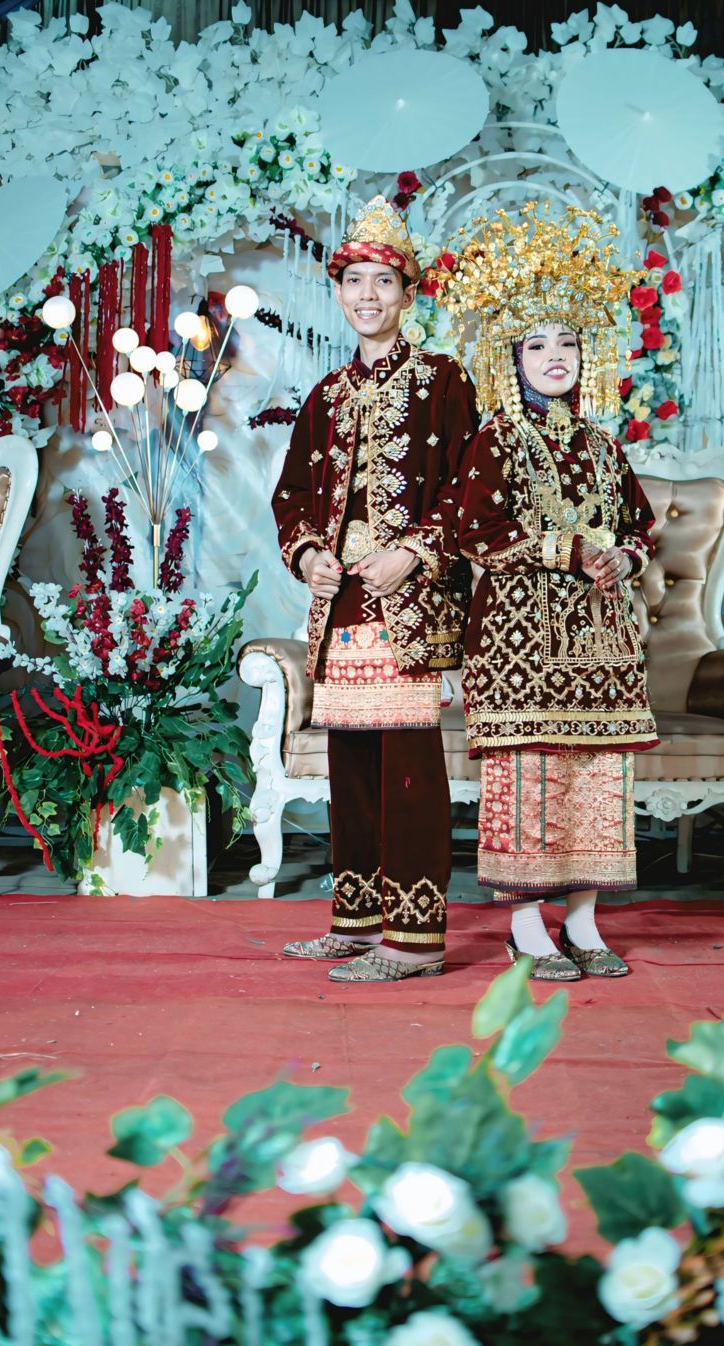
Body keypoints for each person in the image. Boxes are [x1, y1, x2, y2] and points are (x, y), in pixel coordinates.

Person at [442, 205, 659, 981]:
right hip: (518, 643)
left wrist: (623, 559)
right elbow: (474, 532)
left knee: (597, 778)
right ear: (512, 359)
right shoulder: (496, 438)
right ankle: (527, 927)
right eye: (536, 344)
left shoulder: (602, 443)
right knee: (530, 779)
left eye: (567, 341)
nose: (555, 356)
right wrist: (567, 548)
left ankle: (586, 923)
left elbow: (639, 525)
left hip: (601, 642)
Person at [272, 196, 478, 983]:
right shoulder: (326, 394)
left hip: (410, 602)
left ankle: (415, 940)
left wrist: (415, 553)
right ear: (338, 292)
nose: (367, 295)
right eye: (354, 281)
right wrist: (308, 556)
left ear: (408, 294)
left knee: (408, 769)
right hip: (342, 603)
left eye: (383, 282)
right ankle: (356, 921)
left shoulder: (442, 380)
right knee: (352, 763)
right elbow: (292, 495)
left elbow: (469, 489)